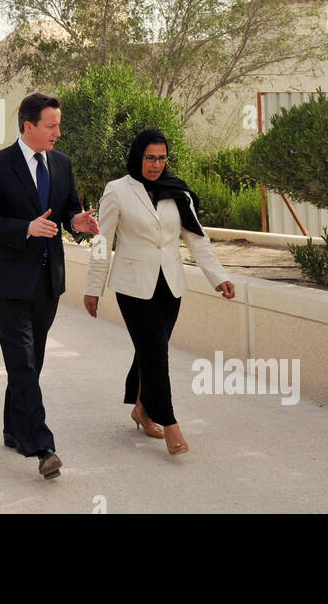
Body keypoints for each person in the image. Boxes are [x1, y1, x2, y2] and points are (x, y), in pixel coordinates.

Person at [82, 129, 236, 456]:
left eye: (161, 158)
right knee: (156, 352)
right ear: (139, 156)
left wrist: (218, 277)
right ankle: (170, 424)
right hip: (132, 286)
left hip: (170, 285)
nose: (155, 164)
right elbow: (102, 241)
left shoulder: (177, 192)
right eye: (150, 157)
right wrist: (93, 287)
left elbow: (197, 238)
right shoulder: (117, 190)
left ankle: (141, 408)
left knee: (151, 349)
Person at [0, 93, 100, 480]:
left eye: (58, 125)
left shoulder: (62, 164)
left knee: (31, 363)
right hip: (9, 282)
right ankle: (41, 445)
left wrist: (77, 222)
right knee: (24, 362)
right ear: (28, 126)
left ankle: (14, 430)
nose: (58, 133)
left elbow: (64, 212)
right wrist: (25, 228)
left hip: (48, 282)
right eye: (51, 125)